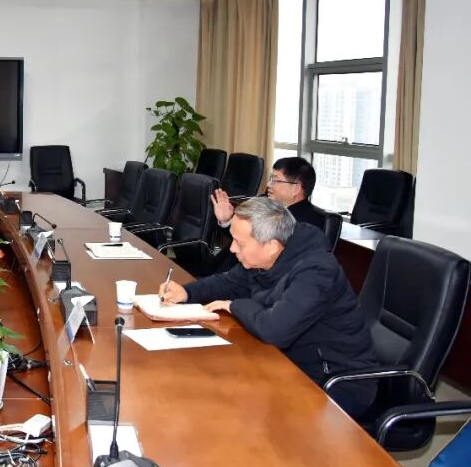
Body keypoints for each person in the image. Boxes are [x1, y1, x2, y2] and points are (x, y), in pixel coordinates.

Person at [160, 197, 378, 418]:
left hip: (334, 382)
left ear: (271, 246)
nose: (232, 248)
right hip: (286, 363)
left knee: (237, 412)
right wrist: (187, 292)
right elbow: (229, 282)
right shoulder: (265, 257)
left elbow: (275, 330)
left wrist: (234, 306)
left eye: (240, 243)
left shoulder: (317, 272)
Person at [211, 156, 327, 231]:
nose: (268, 184)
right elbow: (241, 235)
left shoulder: (305, 224)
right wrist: (226, 220)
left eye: (275, 180)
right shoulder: (263, 201)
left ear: (296, 188)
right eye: (271, 179)